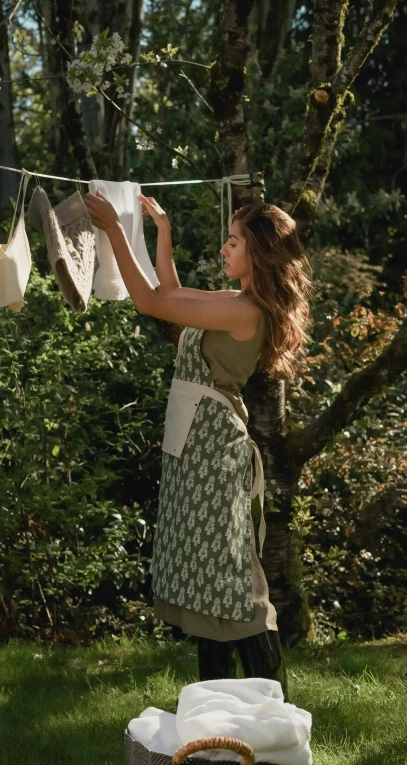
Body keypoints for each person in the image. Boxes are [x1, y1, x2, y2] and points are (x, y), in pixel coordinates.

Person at [84, 190, 313, 701]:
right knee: (207, 581)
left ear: (257, 252)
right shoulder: (237, 303)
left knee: (233, 580)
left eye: (233, 242)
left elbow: (150, 302)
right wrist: (162, 231)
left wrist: (116, 230)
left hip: (212, 447)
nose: (224, 249)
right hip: (195, 442)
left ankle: (273, 709)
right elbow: (172, 295)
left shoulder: (246, 312)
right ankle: (214, 715)